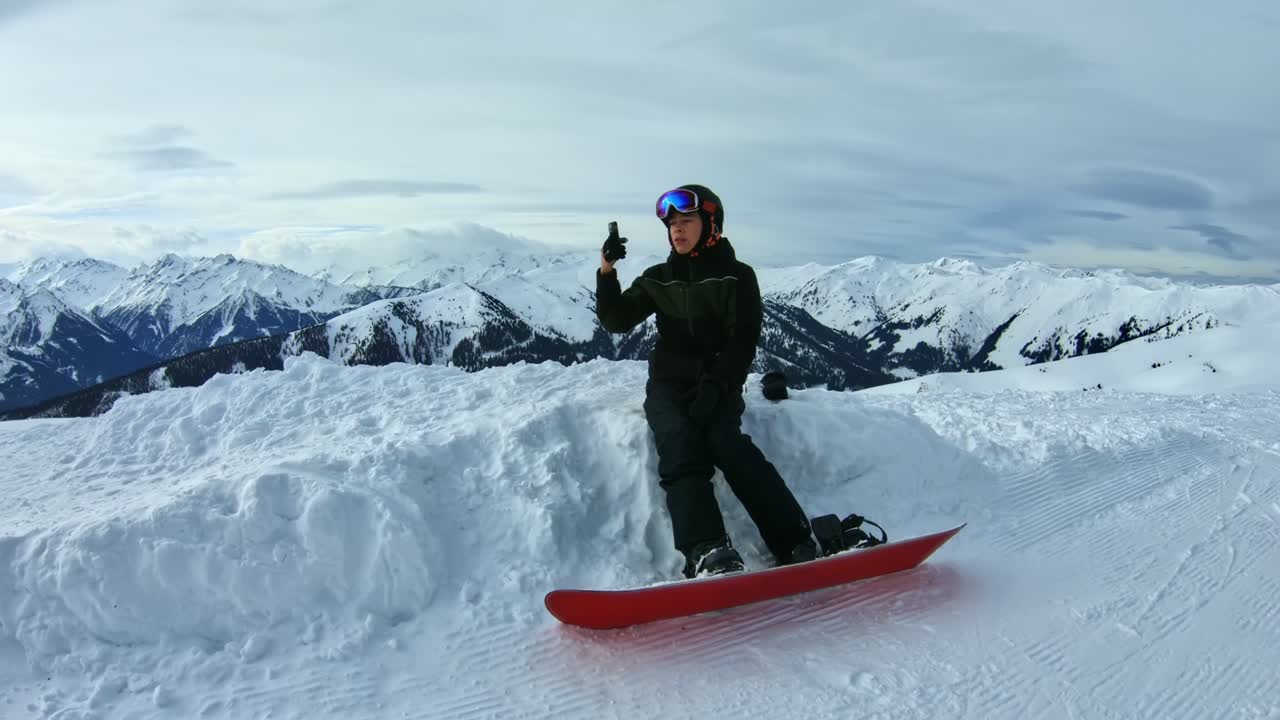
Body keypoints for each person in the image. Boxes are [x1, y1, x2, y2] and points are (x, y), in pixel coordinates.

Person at [595, 184, 819, 579]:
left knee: (727, 444)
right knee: (680, 443)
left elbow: (742, 339)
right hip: (667, 384)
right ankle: (706, 549)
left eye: (686, 222)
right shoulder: (658, 278)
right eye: (672, 225)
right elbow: (616, 320)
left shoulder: (737, 277)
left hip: (719, 381)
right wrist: (607, 270)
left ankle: (794, 539)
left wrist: (719, 386)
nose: (677, 231)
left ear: (710, 224)